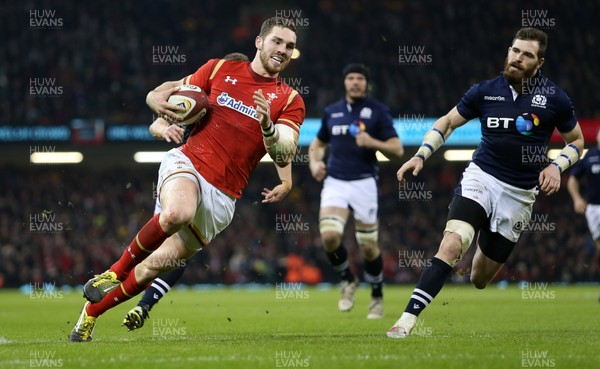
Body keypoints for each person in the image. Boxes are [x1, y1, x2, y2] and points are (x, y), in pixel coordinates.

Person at [68, 16, 305, 342]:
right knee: (177, 212)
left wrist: (267, 127)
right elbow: (169, 91)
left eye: (290, 46)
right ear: (259, 42)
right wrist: (154, 97)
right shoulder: (219, 69)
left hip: (223, 199)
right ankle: (112, 272)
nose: (283, 49)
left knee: (152, 269)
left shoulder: (291, 100)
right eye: (277, 41)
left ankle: (91, 313)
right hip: (189, 163)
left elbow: (284, 153)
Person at [386, 27, 584, 338]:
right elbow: (448, 122)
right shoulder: (484, 91)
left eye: (527, 55)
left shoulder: (555, 99)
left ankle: (483, 237)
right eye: (515, 51)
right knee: (452, 243)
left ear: (539, 62)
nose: (518, 58)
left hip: (519, 196)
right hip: (482, 177)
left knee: (479, 279)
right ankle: (406, 321)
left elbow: (577, 142)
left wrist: (557, 167)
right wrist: (421, 155)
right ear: (509, 51)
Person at [122, 52, 294, 331]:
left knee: (177, 252)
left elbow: (278, 147)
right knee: (176, 250)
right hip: (183, 176)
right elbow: (159, 121)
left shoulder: (237, 111)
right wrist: (162, 126)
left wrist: (285, 181)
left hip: (215, 186)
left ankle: (137, 299)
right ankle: (134, 294)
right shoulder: (200, 100)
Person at [309, 63, 404, 319]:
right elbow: (317, 145)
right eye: (350, 78)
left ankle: (376, 296)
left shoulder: (378, 112)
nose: (355, 82)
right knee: (329, 237)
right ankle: (347, 279)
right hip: (336, 182)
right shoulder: (332, 112)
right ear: (344, 83)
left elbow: (397, 150)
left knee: (369, 247)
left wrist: (373, 142)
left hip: (364, 183)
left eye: (360, 78)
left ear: (366, 83)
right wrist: (315, 163)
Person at [567, 129, 600, 264]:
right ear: (597, 136)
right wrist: (577, 199)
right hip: (593, 208)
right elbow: (572, 180)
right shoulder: (590, 157)